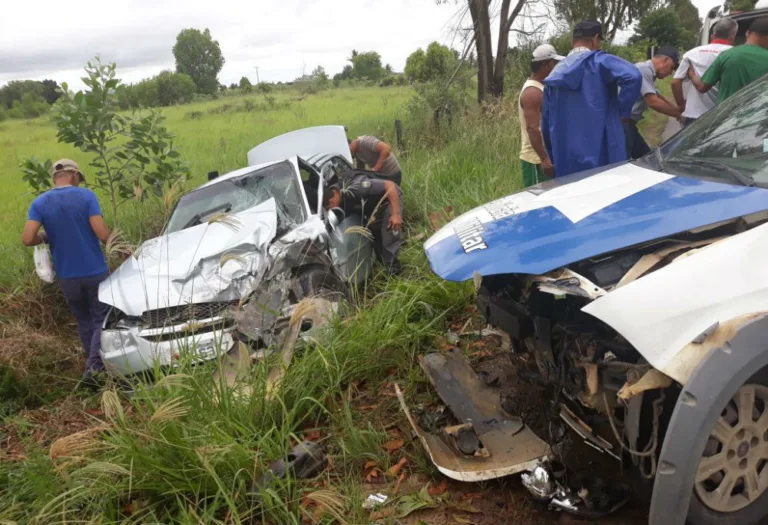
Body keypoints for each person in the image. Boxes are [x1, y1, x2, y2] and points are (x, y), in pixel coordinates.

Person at [21, 159, 111, 387]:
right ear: (73, 175)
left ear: (55, 178)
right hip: (95, 271)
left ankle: (94, 367)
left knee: (83, 320)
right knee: (102, 318)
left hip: (67, 276)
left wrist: (45, 237)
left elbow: (27, 238)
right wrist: (121, 246)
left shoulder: (40, 203)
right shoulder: (87, 197)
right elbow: (101, 233)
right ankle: (94, 370)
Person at [542, 20, 641, 177]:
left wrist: (553, 157)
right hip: (603, 153)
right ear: (595, 39)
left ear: (572, 41)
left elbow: (546, 124)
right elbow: (633, 76)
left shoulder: (553, 75)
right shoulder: (600, 62)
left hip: (567, 159)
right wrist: (622, 112)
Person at [323, 170, 403, 275]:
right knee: (376, 235)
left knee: (388, 235)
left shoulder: (355, 186)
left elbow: (390, 186)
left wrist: (395, 214)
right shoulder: (333, 191)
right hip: (375, 206)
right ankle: (385, 266)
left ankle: (395, 271)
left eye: (330, 208)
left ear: (331, 201)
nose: (332, 210)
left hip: (389, 199)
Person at [671, 18, 737, 128]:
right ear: (733, 36)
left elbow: (675, 82)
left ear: (712, 36)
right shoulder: (736, 54)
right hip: (724, 115)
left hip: (694, 115)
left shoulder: (692, 53)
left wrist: (682, 105)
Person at [688, 17, 768, 104]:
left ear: (747, 33)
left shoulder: (727, 55)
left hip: (727, 116)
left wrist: (691, 74)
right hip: (758, 116)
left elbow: (702, 87)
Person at [624, 46, 682, 159]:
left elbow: (657, 95)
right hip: (622, 124)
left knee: (647, 158)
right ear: (666, 60)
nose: (670, 73)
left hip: (629, 125)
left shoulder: (647, 72)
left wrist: (677, 110)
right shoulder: (643, 69)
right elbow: (653, 102)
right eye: (672, 68)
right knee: (623, 165)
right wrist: (678, 115)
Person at [519, 44, 563, 185]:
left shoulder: (542, 87)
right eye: (553, 63)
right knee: (538, 200)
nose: (555, 67)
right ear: (545, 64)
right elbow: (532, 128)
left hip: (545, 156)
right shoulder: (532, 92)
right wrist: (544, 159)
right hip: (536, 159)